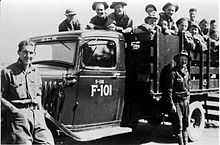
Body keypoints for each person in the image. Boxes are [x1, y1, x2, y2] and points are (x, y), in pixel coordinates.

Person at [1, 40, 54, 144]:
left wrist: (40, 111)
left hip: (36, 115)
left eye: (31, 53)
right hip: (18, 116)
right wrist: (14, 111)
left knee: (48, 142)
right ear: (19, 53)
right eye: (24, 52)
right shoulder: (7, 72)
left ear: (34, 54)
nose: (27, 55)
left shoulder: (36, 71)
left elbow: (38, 93)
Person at [167, 51, 191, 145]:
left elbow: (189, 86)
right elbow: (169, 90)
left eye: (185, 59)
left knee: (186, 125)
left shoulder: (187, 72)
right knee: (179, 126)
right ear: (178, 60)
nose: (184, 61)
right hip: (177, 102)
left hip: (185, 101)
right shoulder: (173, 73)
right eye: (182, 59)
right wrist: (172, 104)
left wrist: (188, 98)